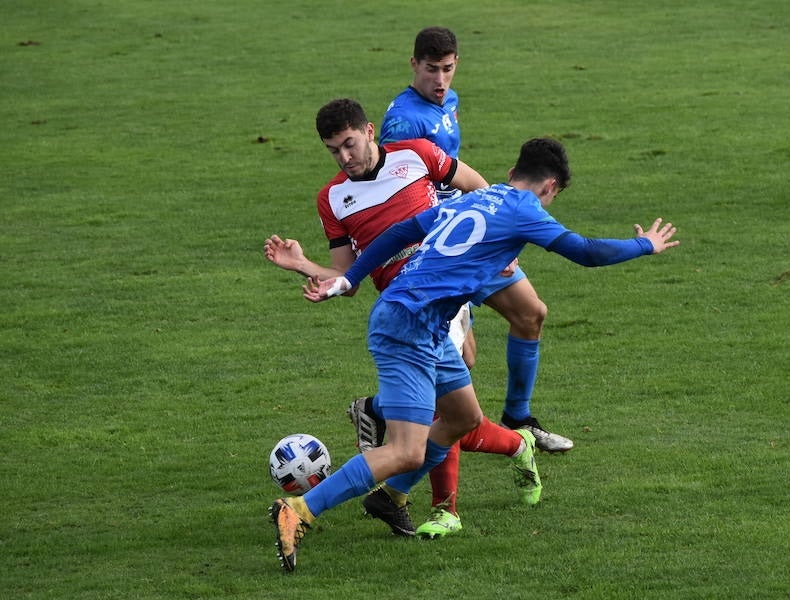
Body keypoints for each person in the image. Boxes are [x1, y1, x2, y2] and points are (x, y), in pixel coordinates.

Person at [282, 136, 679, 573]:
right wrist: (646, 245)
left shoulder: (481, 196)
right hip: (408, 327)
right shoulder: (527, 210)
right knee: (406, 451)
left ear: (510, 174)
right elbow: (585, 252)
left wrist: (347, 278)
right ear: (550, 188)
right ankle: (299, 509)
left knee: (462, 418)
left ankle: (390, 495)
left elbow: (402, 231)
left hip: (422, 320)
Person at [264, 98, 541, 544]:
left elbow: (481, 190)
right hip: (409, 307)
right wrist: (302, 265)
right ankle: (437, 506)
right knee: (444, 413)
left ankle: (392, 446)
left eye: (349, 144)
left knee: (464, 403)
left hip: (450, 285)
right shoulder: (333, 198)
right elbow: (347, 276)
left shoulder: (416, 154)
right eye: (333, 150)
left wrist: (497, 245)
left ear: (370, 131)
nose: (344, 158)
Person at [379, 26, 572, 452]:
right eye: (431, 70)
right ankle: (384, 421)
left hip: (472, 233)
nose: (441, 80)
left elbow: (456, 170)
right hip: (443, 249)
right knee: (459, 359)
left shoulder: (448, 102)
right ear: (414, 65)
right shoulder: (402, 122)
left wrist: (494, 222)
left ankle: (519, 420)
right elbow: (399, 194)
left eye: (448, 69)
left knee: (531, 314)